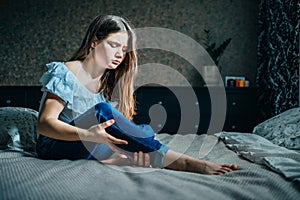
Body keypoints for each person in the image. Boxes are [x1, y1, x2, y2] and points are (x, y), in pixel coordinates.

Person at [36, 14, 238, 175]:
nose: (119, 55)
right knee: (106, 113)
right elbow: (44, 124)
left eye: (123, 50)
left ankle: (137, 156)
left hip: (87, 144)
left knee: (144, 131)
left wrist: (117, 150)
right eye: (113, 45)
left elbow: (106, 135)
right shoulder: (66, 72)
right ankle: (186, 162)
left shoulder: (107, 81)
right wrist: (87, 134)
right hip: (53, 145)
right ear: (94, 42)